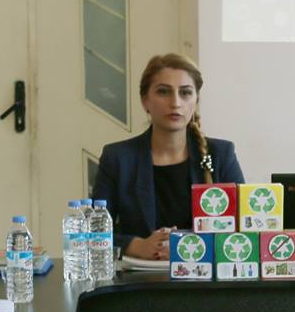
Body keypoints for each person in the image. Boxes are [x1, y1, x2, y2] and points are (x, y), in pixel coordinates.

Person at [91, 53, 246, 260]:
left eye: (185, 93)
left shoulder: (221, 154)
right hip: (139, 276)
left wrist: (186, 246)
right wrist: (137, 246)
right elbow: (93, 233)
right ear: (145, 101)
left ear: (196, 101)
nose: (175, 103)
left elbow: (245, 231)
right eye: (163, 92)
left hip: (204, 276)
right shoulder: (118, 158)